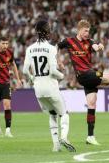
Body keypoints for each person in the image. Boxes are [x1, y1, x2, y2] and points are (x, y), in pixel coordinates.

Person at [23, 20, 76, 152]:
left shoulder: (30, 49)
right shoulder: (51, 49)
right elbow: (53, 71)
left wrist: (31, 79)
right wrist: (62, 76)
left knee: (52, 114)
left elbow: (24, 70)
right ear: (47, 32)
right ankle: (64, 137)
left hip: (38, 88)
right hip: (50, 86)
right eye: (49, 29)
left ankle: (56, 145)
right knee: (64, 114)